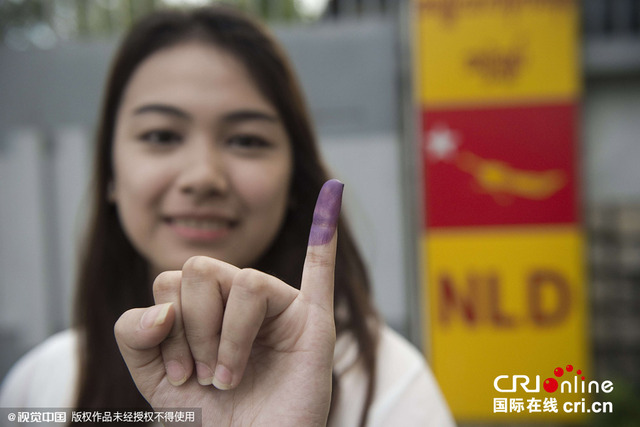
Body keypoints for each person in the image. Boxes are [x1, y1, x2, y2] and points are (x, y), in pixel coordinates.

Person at [0, 5, 454, 426]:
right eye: (160, 135)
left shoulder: (389, 385)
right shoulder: (39, 384)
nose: (203, 177)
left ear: (294, 182)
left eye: (247, 140)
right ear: (111, 173)